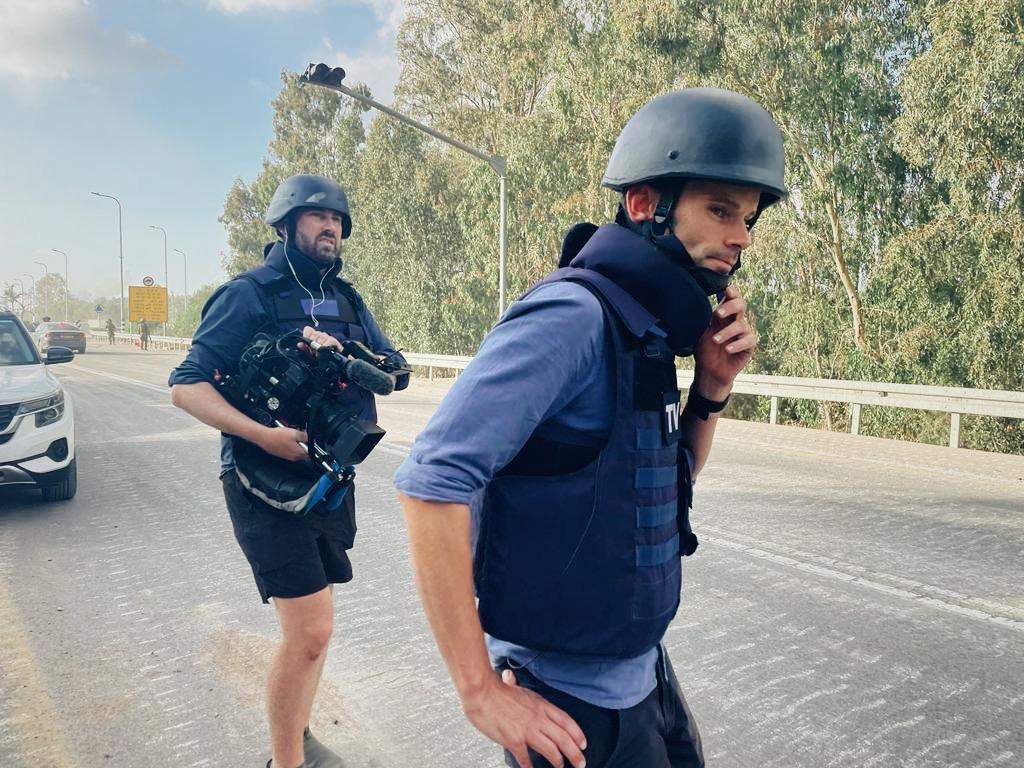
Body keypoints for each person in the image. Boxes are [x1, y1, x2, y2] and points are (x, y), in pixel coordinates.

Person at [395, 88, 787, 768]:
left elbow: (658, 481)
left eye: (748, 219)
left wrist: (713, 387)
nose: (742, 238)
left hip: (645, 678)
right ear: (643, 203)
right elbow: (432, 481)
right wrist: (479, 692)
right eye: (721, 210)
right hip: (569, 706)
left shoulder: (646, 330)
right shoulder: (574, 317)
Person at [169, 174, 408, 768]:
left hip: (328, 479)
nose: (331, 226)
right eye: (317, 216)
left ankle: (297, 735)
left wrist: (362, 361)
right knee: (310, 632)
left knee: (313, 632)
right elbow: (186, 386)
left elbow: (394, 365)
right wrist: (263, 436)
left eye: (338, 219)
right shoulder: (248, 295)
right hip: (264, 483)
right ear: (284, 224)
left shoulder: (348, 299)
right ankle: (286, 761)